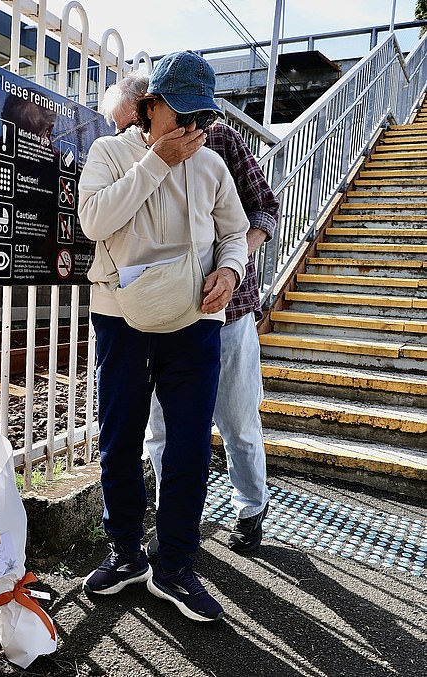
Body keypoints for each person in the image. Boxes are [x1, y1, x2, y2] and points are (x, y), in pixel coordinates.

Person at [78, 51, 249, 622]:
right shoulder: (110, 152)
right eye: (183, 114)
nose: (194, 129)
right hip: (120, 314)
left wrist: (230, 271)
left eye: (203, 117)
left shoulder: (213, 166)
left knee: (192, 444)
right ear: (150, 108)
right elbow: (94, 220)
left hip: (196, 316)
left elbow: (235, 231)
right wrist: (156, 161)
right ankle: (125, 552)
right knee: (120, 436)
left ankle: (175, 565)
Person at [106, 74, 279, 555]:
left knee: (238, 420)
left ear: (152, 106)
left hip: (230, 310)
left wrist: (230, 270)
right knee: (160, 428)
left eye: (129, 124)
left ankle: (251, 507)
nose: (129, 137)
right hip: (168, 317)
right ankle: (173, 516)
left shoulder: (219, 138)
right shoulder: (129, 153)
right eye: (121, 129)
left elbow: (264, 207)